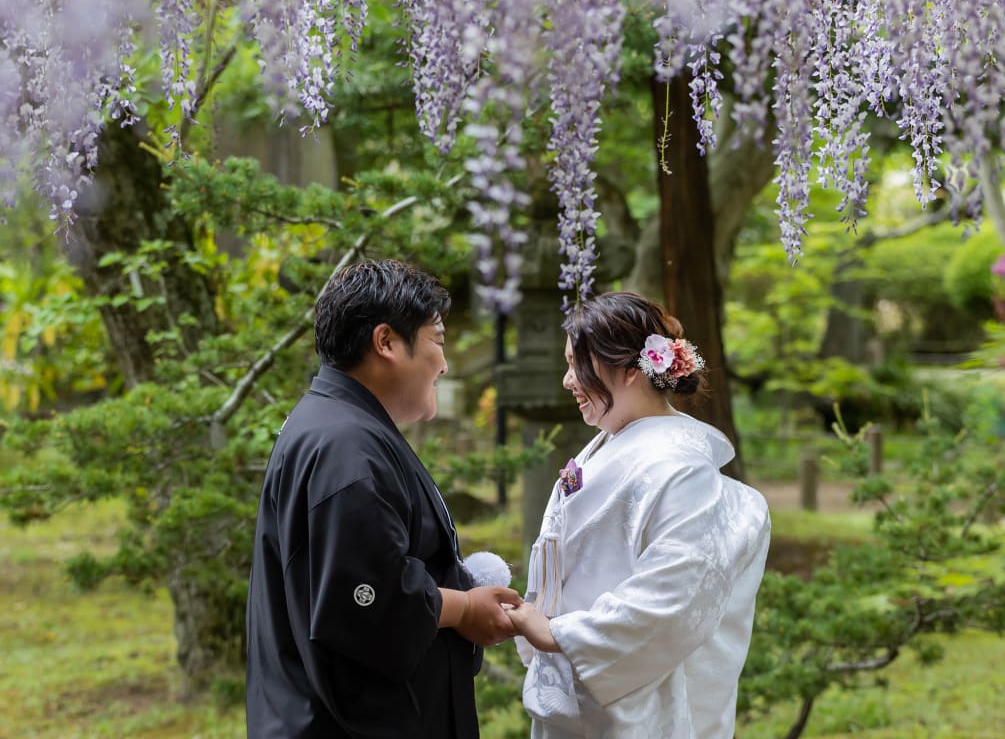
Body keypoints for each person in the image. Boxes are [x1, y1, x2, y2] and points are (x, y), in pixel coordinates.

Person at [246, 259, 521, 739]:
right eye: (437, 340)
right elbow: (371, 604)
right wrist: (463, 608)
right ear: (387, 342)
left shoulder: (335, 426)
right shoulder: (344, 448)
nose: (445, 361)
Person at [507, 291, 770, 739]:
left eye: (577, 365)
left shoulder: (680, 467)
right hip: (581, 685)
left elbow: (674, 595)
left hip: (639, 700)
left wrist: (558, 634)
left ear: (630, 370)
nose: (569, 380)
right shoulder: (610, 446)